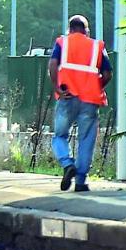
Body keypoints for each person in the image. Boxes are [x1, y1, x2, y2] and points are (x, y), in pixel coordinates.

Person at [49, 15, 112, 192]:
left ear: (70, 29)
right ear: (86, 30)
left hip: (67, 96)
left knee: (60, 135)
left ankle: (68, 164)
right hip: (90, 100)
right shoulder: (97, 46)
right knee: (86, 140)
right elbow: (107, 74)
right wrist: (94, 86)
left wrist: (57, 88)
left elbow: (53, 65)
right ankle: (81, 182)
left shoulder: (62, 43)